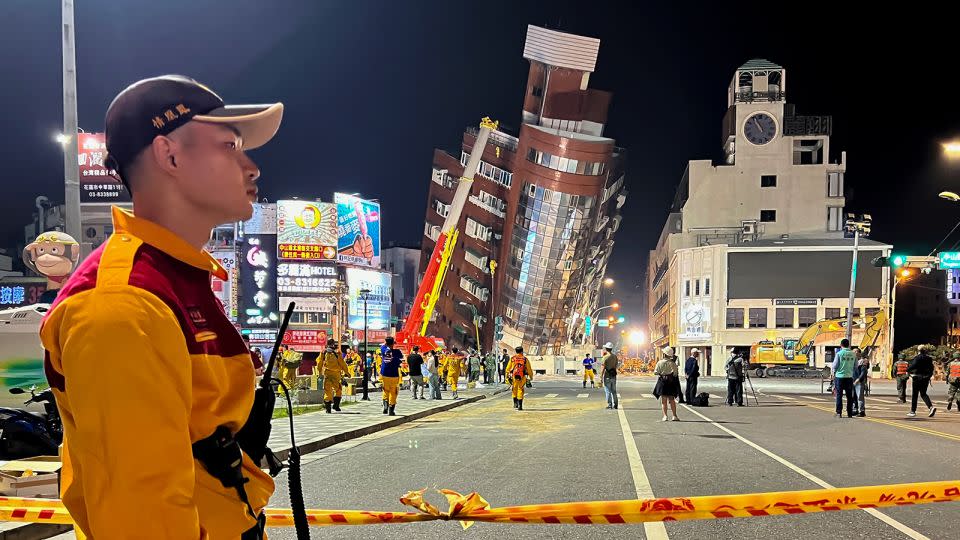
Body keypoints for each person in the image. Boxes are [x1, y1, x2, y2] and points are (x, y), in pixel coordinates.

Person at [38, 75, 283, 538]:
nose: (252, 167)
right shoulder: (122, 303)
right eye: (230, 146)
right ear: (169, 155)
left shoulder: (174, 279)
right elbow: (144, 517)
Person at [907, 345, 937, 418]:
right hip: (926, 378)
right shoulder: (929, 358)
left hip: (917, 377)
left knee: (915, 395)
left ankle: (913, 411)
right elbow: (931, 368)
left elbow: (913, 366)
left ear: (918, 351)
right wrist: (928, 376)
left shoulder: (917, 358)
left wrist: (907, 370)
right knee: (923, 394)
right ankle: (930, 407)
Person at [320, 339, 348, 413]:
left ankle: (328, 409)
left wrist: (319, 371)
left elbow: (319, 362)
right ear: (333, 344)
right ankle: (336, 406)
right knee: (338, 390)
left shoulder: (323, 352)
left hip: (327, 374)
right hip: (336, 375)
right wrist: (347, 372)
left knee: (327, 391)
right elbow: (342, 363)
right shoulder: (337, 352)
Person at [832, 339, 857, 418]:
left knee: (839, 395)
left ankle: (839, 412)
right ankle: (850, 413)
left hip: (839, 377)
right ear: (848, 345)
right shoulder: (853, 354)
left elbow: (835, 365)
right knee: (849, 396)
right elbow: (855, 366)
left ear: (841, 345)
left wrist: (833, 373)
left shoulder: (839, 353)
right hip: (849, 377)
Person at [654, 352, 680, 421]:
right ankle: (674, 416)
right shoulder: (672, 363)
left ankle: (665, 416)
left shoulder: (659, 362)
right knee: (672, 400)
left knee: (664, 400)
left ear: (664, 354)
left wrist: (661, 374)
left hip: (662, 383)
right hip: (671, 383)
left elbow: (655, 372)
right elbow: (675, 374)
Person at [506, 346, 534, 410]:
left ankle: (515, 403)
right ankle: (520, 405)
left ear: (516, 351)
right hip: (522, 376)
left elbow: (508, 368)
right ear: (522, 351)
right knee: (520, 389)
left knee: (514, 389)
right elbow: (529, 369)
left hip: (514, 376)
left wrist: (507, 375)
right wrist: (531, 376)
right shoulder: (525, 359)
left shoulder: (513, 358)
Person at [380, 337, 403, 415]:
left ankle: (385, 407)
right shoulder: (397, 352)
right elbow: (401, 358)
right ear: (393, 344)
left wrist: (386, 343)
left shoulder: (383, 349)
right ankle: (391, 409)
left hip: (384, 373)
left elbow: (383, 345)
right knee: (393, 392)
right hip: (394, 374)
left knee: (385, 390)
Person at [601, 342, 620, 410]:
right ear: (611, 348)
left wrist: (601, 377)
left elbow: (603, 368)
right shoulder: (615, 357)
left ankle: (610, 404)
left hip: (607, 376)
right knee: (614, 391)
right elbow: (616, 366)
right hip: (613, 375)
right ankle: (616, 404)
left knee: (608, 390)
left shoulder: (605, 357)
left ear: (606, 349)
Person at [852, 352, 869, 418]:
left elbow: (863, 372)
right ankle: (855, 409)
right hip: (852, 381)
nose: (854, 353)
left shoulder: (862, 362)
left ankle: (861, 411)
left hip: (859, 382)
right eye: (853, 351)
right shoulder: (852, 361)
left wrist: (858, 379)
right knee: (853, 397)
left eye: (856, 351)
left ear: (859, 353)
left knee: (860, 397)